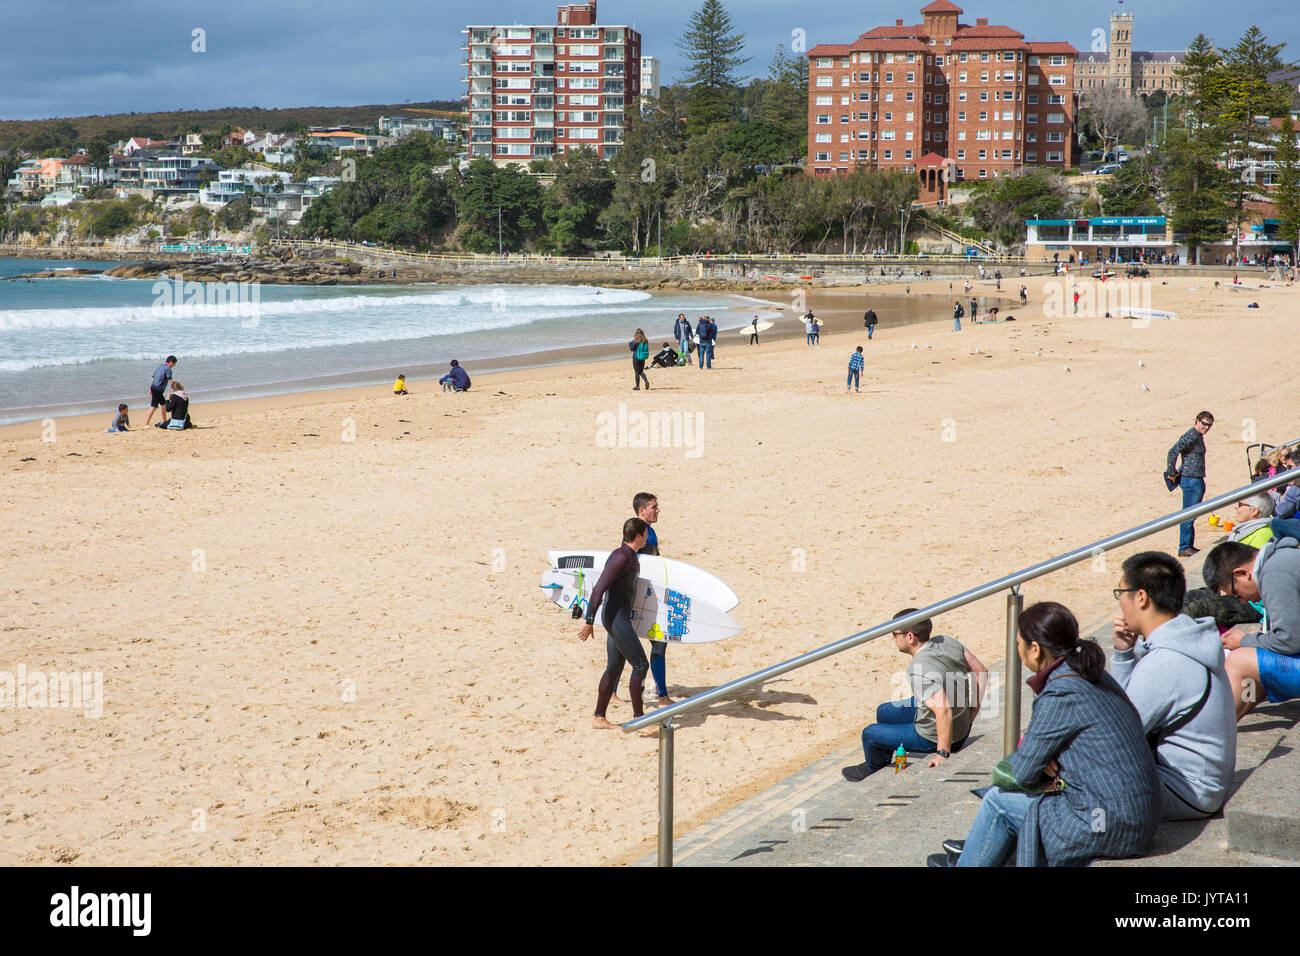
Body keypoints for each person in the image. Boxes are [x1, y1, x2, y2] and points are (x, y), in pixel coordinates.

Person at [928, 602, 1159, 867]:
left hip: (1109, 824)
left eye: (1019, 644)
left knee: (997, 801)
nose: (1017, 650)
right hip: (1138, 813)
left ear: (1035, 650)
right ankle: (978, 849)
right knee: (1023, 795)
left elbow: (1019, 772)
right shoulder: (1091, 672)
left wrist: (1043, 761)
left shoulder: (1061, 692)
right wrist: (1047, 759)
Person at [1110, 552, 1236, 820]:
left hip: (1185, 792)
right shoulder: (1189, 639)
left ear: (1141, 597)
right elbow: (1126, 709)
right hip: (1202, 784)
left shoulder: (1166, 662)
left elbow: (1117, 731)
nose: (1119, 602)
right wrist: (1123, 653)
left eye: (1120, 592)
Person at [841, 610, 986, 781]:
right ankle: (889, 751)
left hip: (934, 737)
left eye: (895, 634)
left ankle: (874, 766)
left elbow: (944, 710)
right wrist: (973, 710)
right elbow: (981, 670)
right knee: (884, 712)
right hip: (962, 726)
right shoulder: (947, 641)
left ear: (910, 637)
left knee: (869, 734)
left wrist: (942, 753)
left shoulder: (917, 670)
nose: (893, 638)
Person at [577, 518, 655, 731]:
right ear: (638, 536)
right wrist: (589, 621)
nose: (648, 536)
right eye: (645, 533)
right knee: (640, 665)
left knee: (614, 666)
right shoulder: (621, 557)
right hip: (616, 618)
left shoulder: (627, 555)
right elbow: (598, 588)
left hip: (619, 617)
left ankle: (599, 717)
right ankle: (640, 720)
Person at [1212, 537, 1300, 717]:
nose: (1243, 601)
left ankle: (1216, 730)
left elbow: (1289, 640)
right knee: (1252, 661)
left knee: (1238, 660)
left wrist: (1244, 640)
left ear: (1242, 573)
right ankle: (1231, 720)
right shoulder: (1283, 558)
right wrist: (1255, 640)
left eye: (1236, 594)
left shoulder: (1274, 574)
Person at [1166, 412, 1214, 556]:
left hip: (1195, 479)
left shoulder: (1197, 436)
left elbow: (1187, 457)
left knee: (1191, 514)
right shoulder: (1192, 435)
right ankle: (1184, 547)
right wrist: (1172, 472)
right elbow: (1172, 452)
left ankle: (1187, 546)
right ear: (1197, 421)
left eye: (1209, 425)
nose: (1206, 427)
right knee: (1188, 514)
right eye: (1204, 423)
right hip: (1191, 480)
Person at [146, 356, 177, 427]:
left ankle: (164, 420)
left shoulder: (160, 366)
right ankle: (146, 423)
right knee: (154, 406)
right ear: (171, 363)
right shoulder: (168, 369)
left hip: (153, 387)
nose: (174, 366)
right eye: (174, 364)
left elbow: (153, 378)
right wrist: (176, 385)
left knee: (163, 404)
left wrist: (151, 389)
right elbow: (170, 379)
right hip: (158, 390)